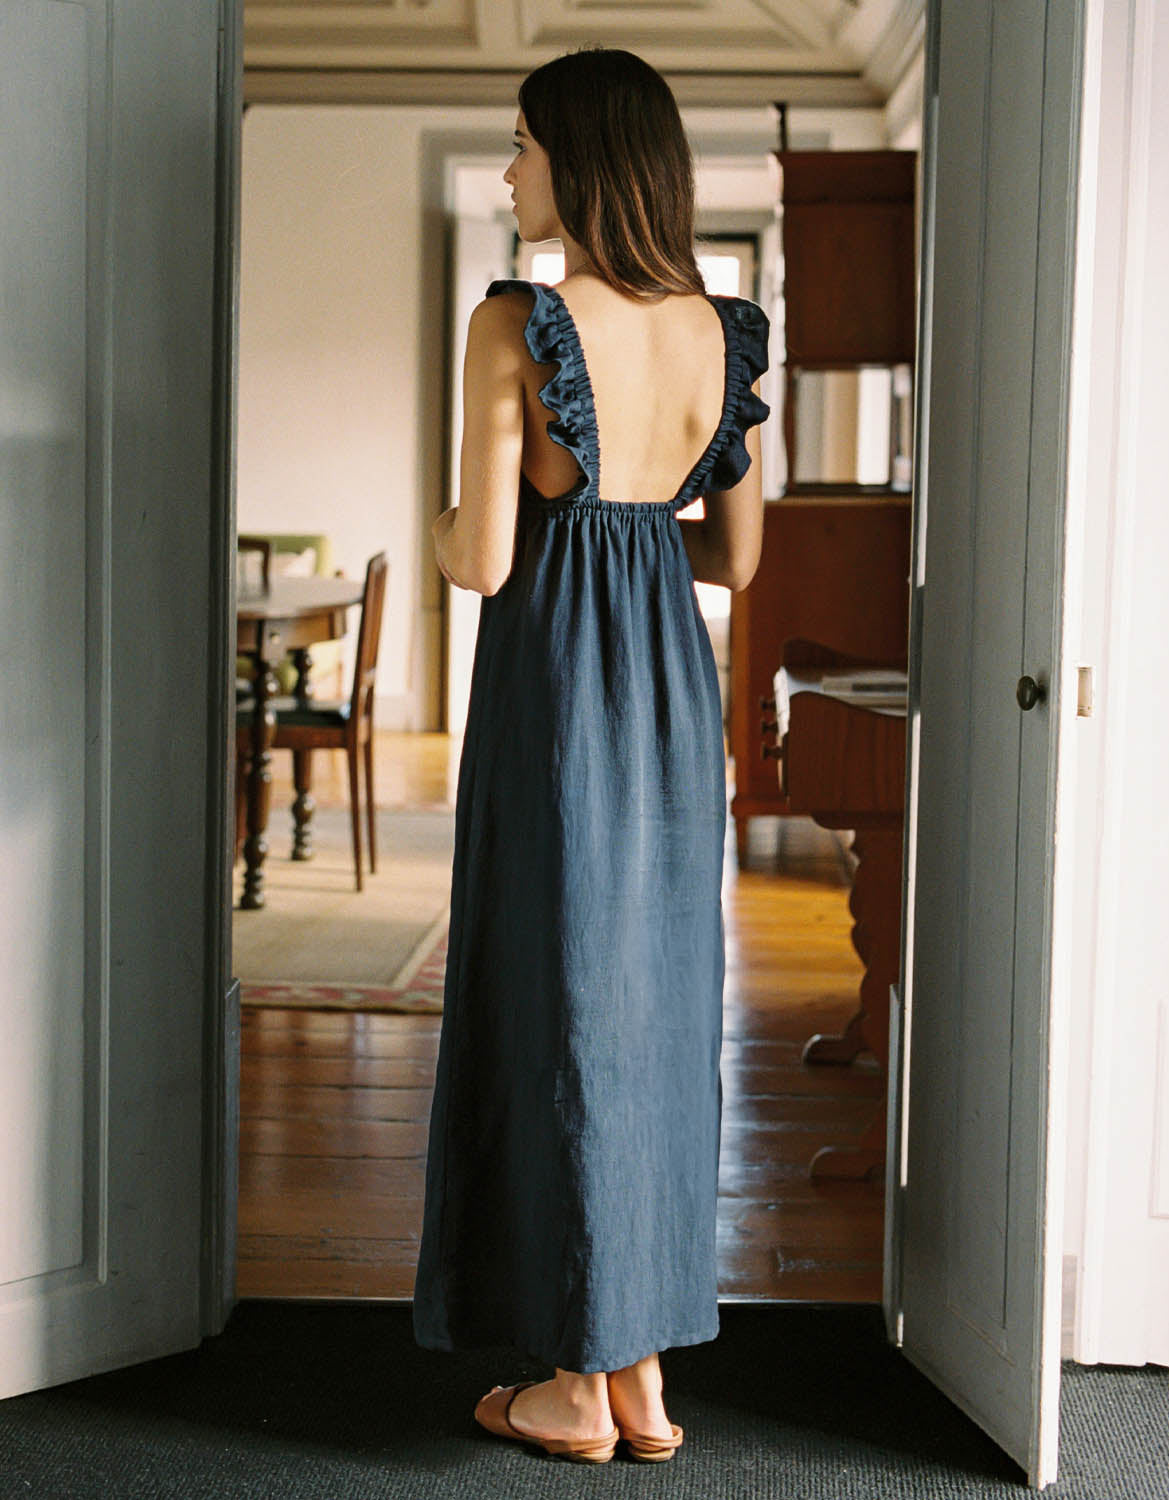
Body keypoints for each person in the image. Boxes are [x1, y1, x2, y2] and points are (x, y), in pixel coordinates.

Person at [412, 46, 770, 1466]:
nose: (509, 173)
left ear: (581, 161)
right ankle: (643, 1378)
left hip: (556, 689)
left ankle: (573, 1381)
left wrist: (451, 520)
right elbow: (734, 554)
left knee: (554, 1006)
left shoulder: (518, 322)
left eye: (521, 147)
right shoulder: (723, 332)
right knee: (654, 1015)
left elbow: (483, 558)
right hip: (672, 697)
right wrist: (627, 529)